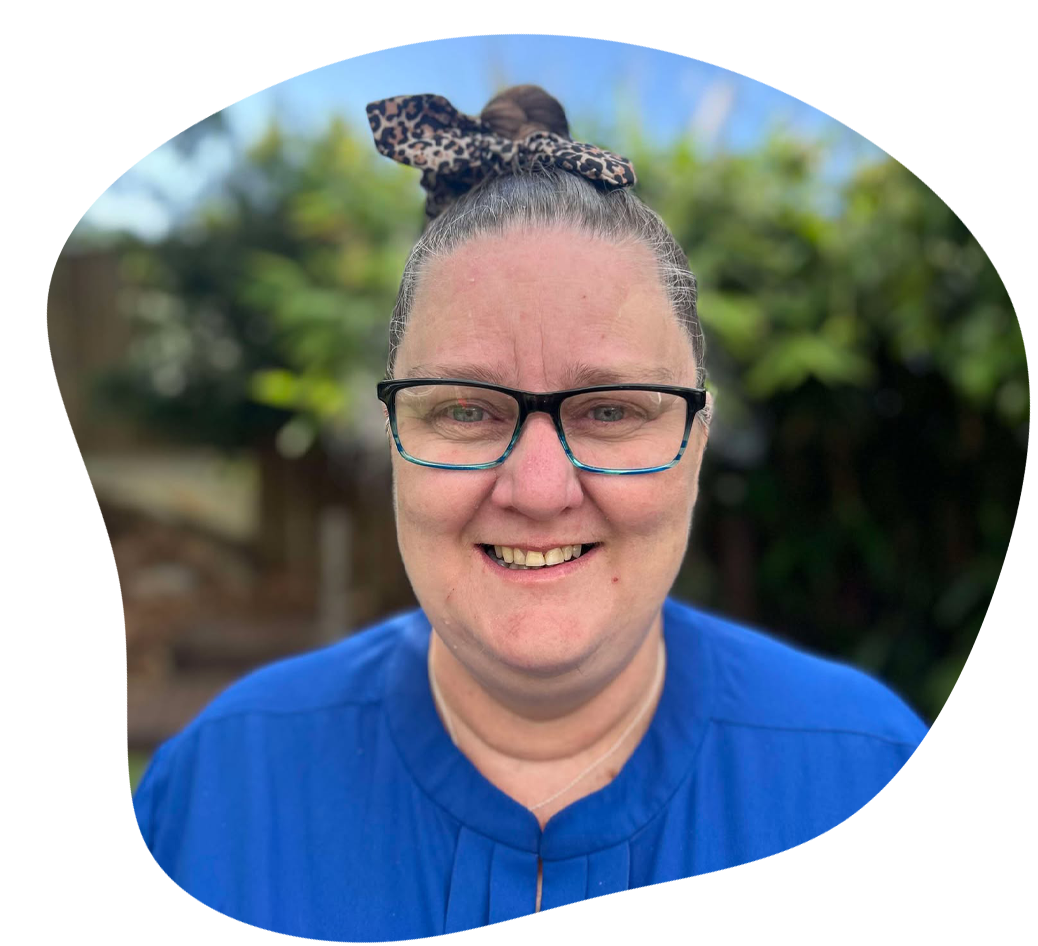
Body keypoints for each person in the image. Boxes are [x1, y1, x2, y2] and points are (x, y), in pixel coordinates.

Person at [131, 85, 944, 938]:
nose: (539, 489)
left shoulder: (870, 777)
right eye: (466, 410)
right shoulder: (218, 789)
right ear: (393, 439)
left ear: (697, 445)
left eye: (612, 410)